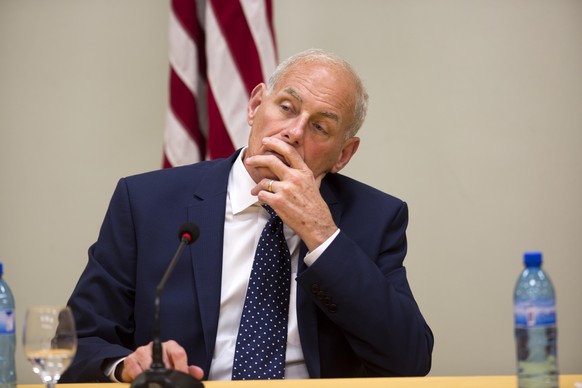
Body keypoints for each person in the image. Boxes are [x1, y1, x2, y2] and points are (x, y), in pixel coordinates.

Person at [61, 48, 434, 383]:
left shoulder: (374, 217)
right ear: (256, 105)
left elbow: (409, 360)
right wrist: (125, 365)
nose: (293, 132)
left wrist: (322, 235)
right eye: (286, 107)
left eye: (320, 126)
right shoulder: (147, 202)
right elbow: (78, 342)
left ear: (343, 154)